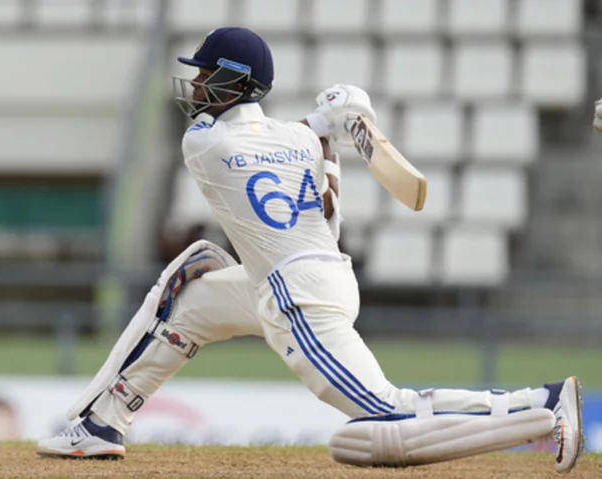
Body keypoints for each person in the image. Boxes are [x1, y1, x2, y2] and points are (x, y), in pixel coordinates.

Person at [37, 27, 584, 473]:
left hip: (296, 299)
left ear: (233, 81)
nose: (197, 84)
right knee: (192, 298)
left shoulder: (203, 143)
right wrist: (346, 111)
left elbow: (281, 129)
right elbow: (309, 135)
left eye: (205, 74)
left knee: (386, 413)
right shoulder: (297, 140)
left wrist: (334, 116)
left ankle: (541, 403)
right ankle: (97, 424)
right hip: (309, 275)